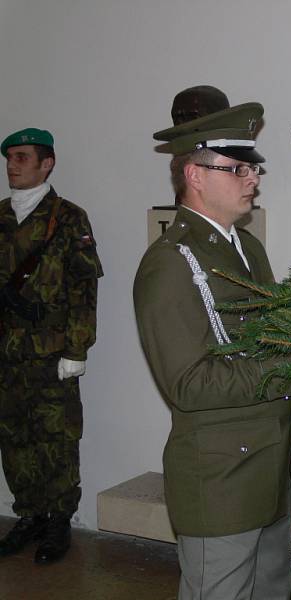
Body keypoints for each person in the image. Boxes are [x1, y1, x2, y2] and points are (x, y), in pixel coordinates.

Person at [133, 90, 291, 600]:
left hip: (271, 470)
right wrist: (290, 368)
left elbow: (264, 336)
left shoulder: (246, 247)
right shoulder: (170, 263)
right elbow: (188, 384)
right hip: (222, 478)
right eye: (238, 168)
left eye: (253, 168)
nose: (253, 178)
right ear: (195, 174)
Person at [0, 128, 102, 564]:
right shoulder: (1, 215)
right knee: (14, 435)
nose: (12, 165)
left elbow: (83, 289)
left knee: (57, 436)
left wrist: (77, 350)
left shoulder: (68, 218)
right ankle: (29, 515)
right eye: (9, 158)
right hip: (7, 351)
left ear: (47, 163)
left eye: (23, 157)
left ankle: (58, 519)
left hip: (51, 348)